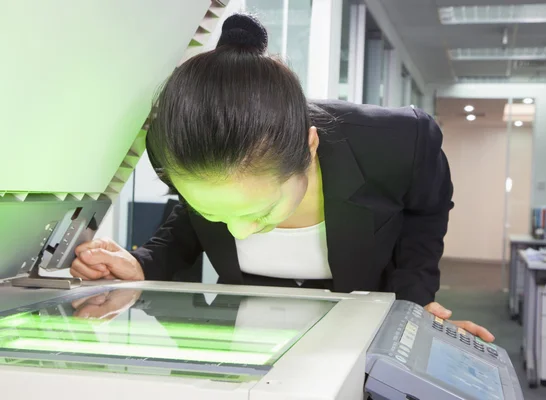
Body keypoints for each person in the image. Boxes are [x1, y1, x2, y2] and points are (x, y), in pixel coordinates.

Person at [71, 14, 494, 341]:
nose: (239, 229)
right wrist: (143, 263)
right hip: (246, 330)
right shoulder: (175, 151)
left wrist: (413, 304)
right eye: (216, 213)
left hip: (359, 319)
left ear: (310, 148)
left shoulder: (399, 142)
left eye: (262, 209)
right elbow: (190, 219)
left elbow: (426, 211)